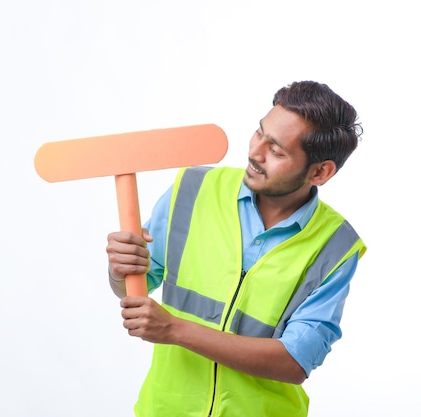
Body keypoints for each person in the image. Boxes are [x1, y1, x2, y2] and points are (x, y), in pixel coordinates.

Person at [105, 81, 366, 417]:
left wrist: (174, 329)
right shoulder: (193, 188)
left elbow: (295, 362)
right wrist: (120, 269)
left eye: (276, 150)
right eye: (259, 133)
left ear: (320, 171)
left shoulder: (336, 246)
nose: (255, 153)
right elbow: (139, 285)